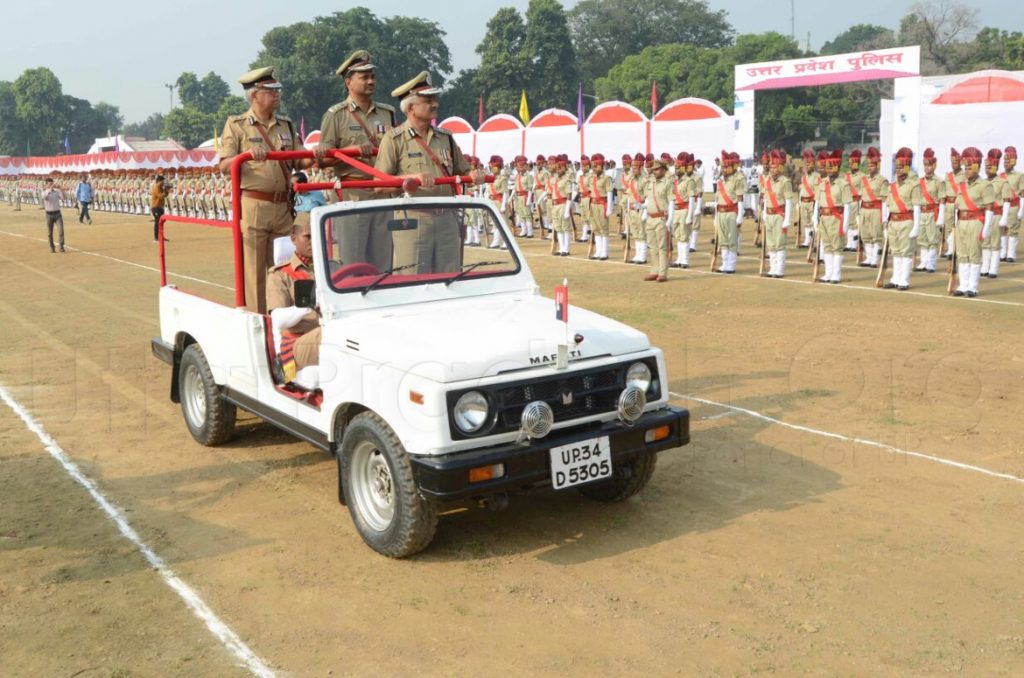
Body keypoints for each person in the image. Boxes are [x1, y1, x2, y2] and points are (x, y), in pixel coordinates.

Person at [219, 66, 311, 314]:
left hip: (282, 207)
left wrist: (315, 153)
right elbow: (224, 165)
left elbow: (302, 159)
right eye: (270, 91)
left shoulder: (286, 125)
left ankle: (286, 319)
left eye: (277, 90)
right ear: (254, 95)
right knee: (255, 271)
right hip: (254, 206)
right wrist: (246, 156)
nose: (277, 95)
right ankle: (259, 322)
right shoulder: (237, 125)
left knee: (284, 265)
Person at [373, 71, 485, 273]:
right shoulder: (393, 139)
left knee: (450, 279)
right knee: (413, 282)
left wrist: (474, 173)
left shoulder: (445, 137)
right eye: (427, 100)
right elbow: (379, 184)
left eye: (434, 99)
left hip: (447, 219)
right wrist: (410, 178)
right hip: (412, 220)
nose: (435, 104)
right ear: (410, 107)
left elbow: (463, 168)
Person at [317, 50, 396, 271]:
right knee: (353, 261)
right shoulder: (336, 115)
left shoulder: (387, 113)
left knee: (383, 262)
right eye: (364, 77)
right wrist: (350, 152)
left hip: (382, 193)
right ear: (348, 81)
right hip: (353, 192)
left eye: (372, 76)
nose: (371, 81)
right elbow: (323, 160)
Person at [266, 220, 321, 382]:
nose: (313, 241)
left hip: (324, 333)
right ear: (293, 239)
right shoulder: (280, 275)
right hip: (297, 343)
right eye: (307, 237)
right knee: (332, 333)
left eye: (316, 236)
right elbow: (278, 319)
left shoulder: (330, 267)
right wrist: (307, 304)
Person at [952, 147, 995, 297]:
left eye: (969, 168)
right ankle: (963, 285)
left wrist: (986, 228)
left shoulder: (985, 185)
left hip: (976, 221)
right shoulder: (962, 185)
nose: (966, 170)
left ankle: (973, 286)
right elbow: (957, 206)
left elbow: (990, 207)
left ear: (977, 168)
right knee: (963, 255)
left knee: (974, 254)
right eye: (965, 168)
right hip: (961, 222)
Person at [882, 147, 922, 290]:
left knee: (906, 252)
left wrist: (916, 226)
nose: (898, 170)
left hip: (906, 221)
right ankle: (895, 278)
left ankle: (904, 280)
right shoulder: (892, 186)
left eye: (901, 167)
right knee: (896, 252)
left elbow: (917, 206)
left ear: (907, 167)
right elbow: (887, 206)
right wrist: (885, 223)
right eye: (896, 167)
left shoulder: (914, 185)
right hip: (894, 221)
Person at [813, 150, 853, 283]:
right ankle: (828, 273)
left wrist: (846, 225)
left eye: (832, 167)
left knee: (837, 247)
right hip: (824, 218)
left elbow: (847, 205)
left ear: (837, 167)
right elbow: (817, 202)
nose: (829, 170)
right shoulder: (822, 183)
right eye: (827, 167)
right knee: (827, 246)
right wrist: (815, 218)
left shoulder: (843, 184)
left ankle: (836, 274)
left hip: (837, 218)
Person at [762, 149, 795, 278]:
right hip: (769, 215)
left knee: (779, 242)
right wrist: (764, 213)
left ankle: (779, 269)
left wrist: (787, 219)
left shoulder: (785, 182)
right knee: (770, 243)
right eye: (771, 167)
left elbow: (788, 201)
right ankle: (772, 268)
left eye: (775, 167)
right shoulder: (768, 181)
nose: (772, 169)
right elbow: (766, 199)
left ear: (780, 168)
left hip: (779, 215)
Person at [641, 156, 673, 282]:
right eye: (653, 170)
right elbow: (648, 199)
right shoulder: (650, 183)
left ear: (664, 170)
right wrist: (643, 209)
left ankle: (662, 272)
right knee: (652, 246)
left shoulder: (668, 183)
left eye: (658, 169)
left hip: (661, 218)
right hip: (650, 218)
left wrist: (670, 219)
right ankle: (654, 270)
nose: (655, 172)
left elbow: (671, 201)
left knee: (662, 247)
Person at [713, 151, 746, 273]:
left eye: (726, 167)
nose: (724, 169)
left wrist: (740, 216)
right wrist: (715, 217)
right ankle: (724, 263)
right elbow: (717, 200)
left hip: (732, 212)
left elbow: (740, 198)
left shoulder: (738, 178)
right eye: (723, 167)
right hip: (721, 212)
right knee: (723, 240)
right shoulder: (720, 181)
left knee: (732, 240)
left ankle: (731, 265)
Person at [915, 148, 946, 273]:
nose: (927, 168)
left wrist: (941, 217)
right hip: (922, 212)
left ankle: (931, 263)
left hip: (933, 212)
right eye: (925, 165)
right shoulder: (919, 181)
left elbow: (943, 200)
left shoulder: (939, 182)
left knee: (932, 239)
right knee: (922, 239)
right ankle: (923, 262)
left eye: (929, 165)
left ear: (934, 166)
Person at [982, 148, 1009, 279]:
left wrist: (1004, 218)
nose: (987, 169)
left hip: (997, 215)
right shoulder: (982, 182)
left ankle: (993, 269)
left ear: (996, 167)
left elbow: (1007, 200)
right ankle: (985, 267)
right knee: (985, 241)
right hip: (985, 215)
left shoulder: (1002, 182)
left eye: (990, 167)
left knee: (995, 242)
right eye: (986, 167)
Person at [859, 147, 888, 267]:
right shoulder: (864, 179)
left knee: (876, 235)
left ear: (877, 165)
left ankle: (875, 258)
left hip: (876, 209)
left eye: (872, 165)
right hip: (865, 209)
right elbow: (861, 196)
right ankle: (868, 257)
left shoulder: (882, 180)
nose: (869, 167)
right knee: (865, 234)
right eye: (868, 165)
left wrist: (885, 215)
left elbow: (885, 199)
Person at [587, 153, 613, 260]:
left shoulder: (606, 178)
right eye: (593, 165)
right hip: (593, 204)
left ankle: (604, 252)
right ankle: (598, 250)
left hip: (602, 204)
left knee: (603, 228)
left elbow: (610, 192)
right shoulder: (591, 178)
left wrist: (610, 208)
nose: (595, 167)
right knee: (595, 228)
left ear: (602, 166)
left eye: (597, 165)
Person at [1001, 146, 1023, 263]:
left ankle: (1011, 254)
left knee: (1013, 230)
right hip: (1002, 207)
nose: (1006, 163)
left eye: (1008, 161)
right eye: (1004, 161)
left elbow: (1023, 193)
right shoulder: (1000, 176)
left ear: (1013, 162)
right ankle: (1003, 253)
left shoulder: (1019, 176)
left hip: (1014, 206)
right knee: (1003, 230)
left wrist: (1021, 210)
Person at [41, 178, 65, 253]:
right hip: (49, 214)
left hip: (57, 214)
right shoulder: (44, 192)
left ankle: (61, 246)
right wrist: (49, 190)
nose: (51, 185)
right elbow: (45, 197)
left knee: (61, 231)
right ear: (46, 184)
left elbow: (63, 198)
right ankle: (52, 247)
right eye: (49, 184)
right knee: (49, 233)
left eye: (52, 183)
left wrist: (61, 189)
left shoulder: (57, 191)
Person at [150, 174, 169, 241]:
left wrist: (166, 191)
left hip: (160, 207)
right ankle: (156, 237)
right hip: (156, 207)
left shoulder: (160, 187)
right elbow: (160, 196)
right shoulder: (156, 188)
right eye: (162, 181)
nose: (163, 182)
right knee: (157, 222)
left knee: (161, 223)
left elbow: (164, 196)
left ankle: (161, 236)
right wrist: (165, 191)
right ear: (159, 181)